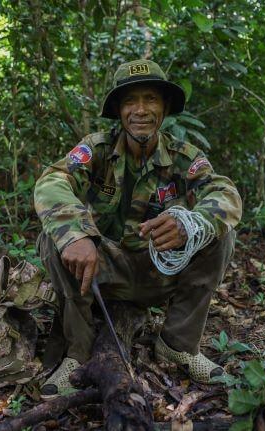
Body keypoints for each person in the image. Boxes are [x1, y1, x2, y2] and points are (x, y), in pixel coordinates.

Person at [33, 59, 242, 398]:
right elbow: (53, 180)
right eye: (130, 101)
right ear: (118, 110)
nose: (140, 110)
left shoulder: (183, 157)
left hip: (159, 272)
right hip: (102, 276)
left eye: (151, 99)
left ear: (165, 107)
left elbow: (225, 194)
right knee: (54, 234)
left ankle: (178, 344)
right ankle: (78, 354)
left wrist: (190, 225)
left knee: (222, 235)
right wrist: (76, 234)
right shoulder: (97, 149)